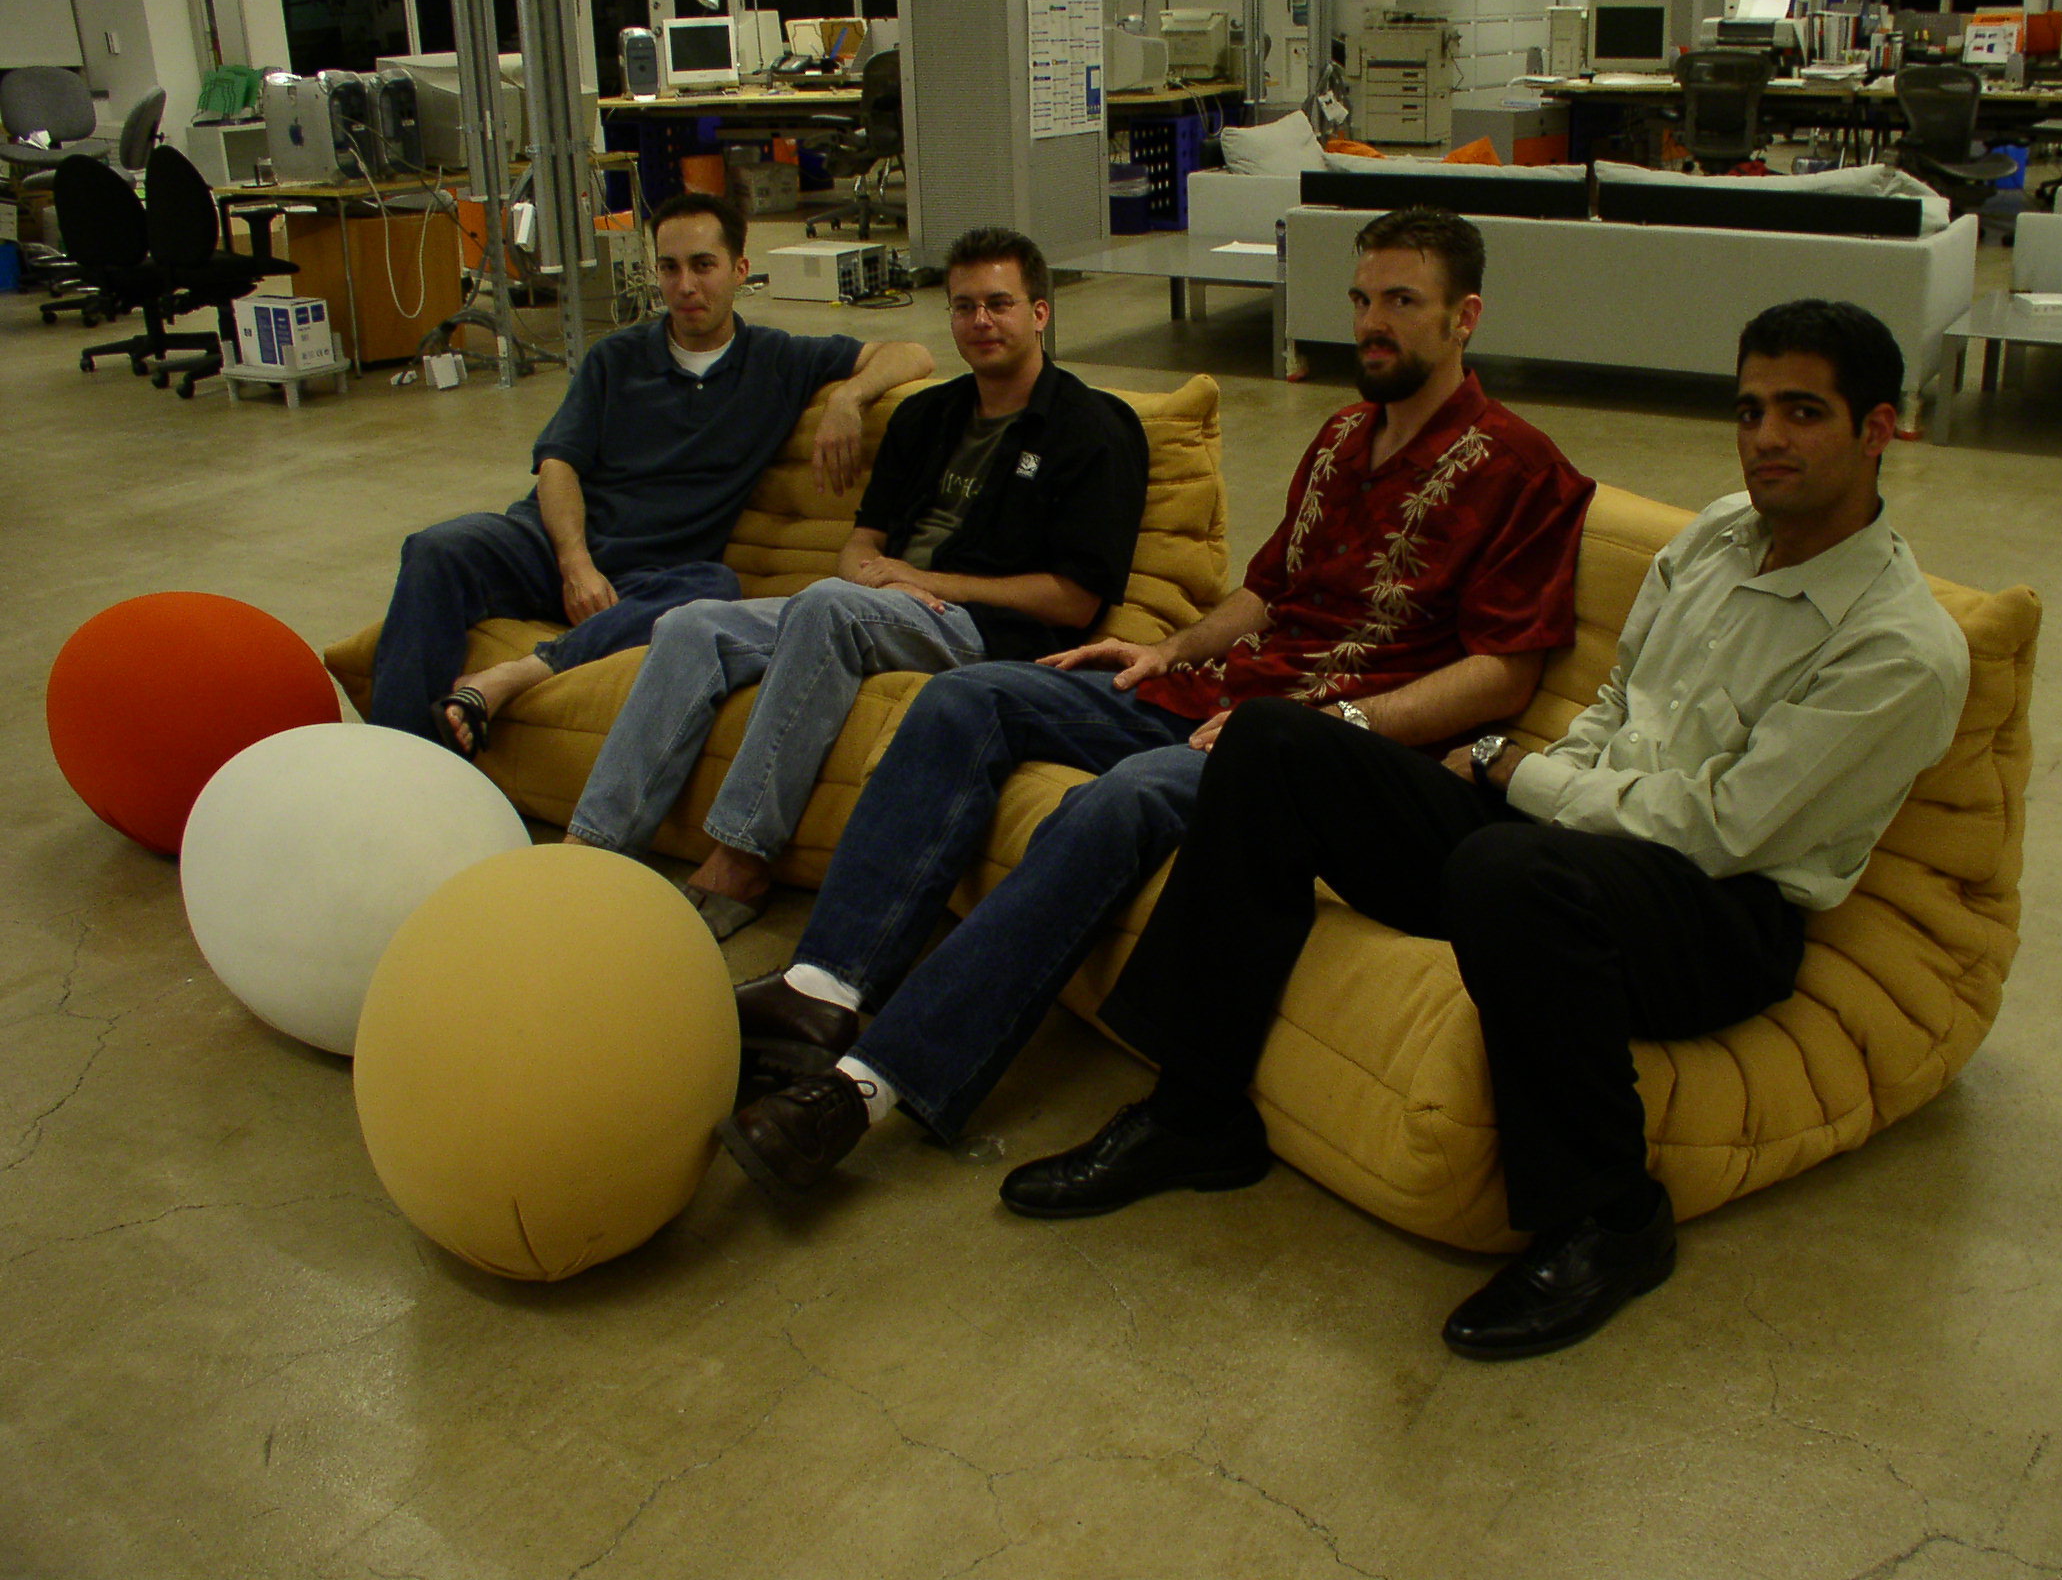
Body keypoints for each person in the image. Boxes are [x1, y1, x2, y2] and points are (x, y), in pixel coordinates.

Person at [998, 298, 1973, 1363]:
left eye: (1802, 412)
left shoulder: (1898, 648)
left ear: (1878, 429)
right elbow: (1618, 700)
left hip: (1716, 913)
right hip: (1573, 839)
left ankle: (1610, 1216)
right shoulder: (1717, 536)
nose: (1766, 437)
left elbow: (1720, 828)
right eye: (1749, 410)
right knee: (1276, 741)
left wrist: (1516, 771)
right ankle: (1197, 1111)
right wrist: (1533, 780)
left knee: (1512, 867)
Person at [715, 205, 1597, 1198]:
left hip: (1312, 751)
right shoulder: (1344, 433)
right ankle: (822, 989)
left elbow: (1504, 672)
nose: (1370, 324)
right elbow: (1266, 592)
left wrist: (1323, 728)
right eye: (1361, 299)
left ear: (1463, 316)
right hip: (1214, 692)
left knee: (1127, 796)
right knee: (970, 697)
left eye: (1400, 302)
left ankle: (866, 1087)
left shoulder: (1520, 467)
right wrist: (1166, 646)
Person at [563, 226, 1149, 939]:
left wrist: (923, 583)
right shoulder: (927, 416)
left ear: (1039, 313)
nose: (981, 321)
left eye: (999, 304)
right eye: (964, 306)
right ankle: (592, 850)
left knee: (830, 608)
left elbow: (1075, 599)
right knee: (693, 623)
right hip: (880, 606)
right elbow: (862, 543)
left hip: (986, 631)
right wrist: (871, 578)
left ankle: (742, 854)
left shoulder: (1094, 428)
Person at [365, 191, 934, 755]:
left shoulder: (777, 360)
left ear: (740, 270)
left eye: (703, 266)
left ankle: (517, 676)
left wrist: (848, 399)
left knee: (713, 589)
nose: (685, 286)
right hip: (552, 547)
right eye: (669, 268)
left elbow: (912, 353)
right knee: (437, 549)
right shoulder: (615, 359)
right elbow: (558, 464)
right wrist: (576, 564)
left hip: (656, 575)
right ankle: (398, 760)